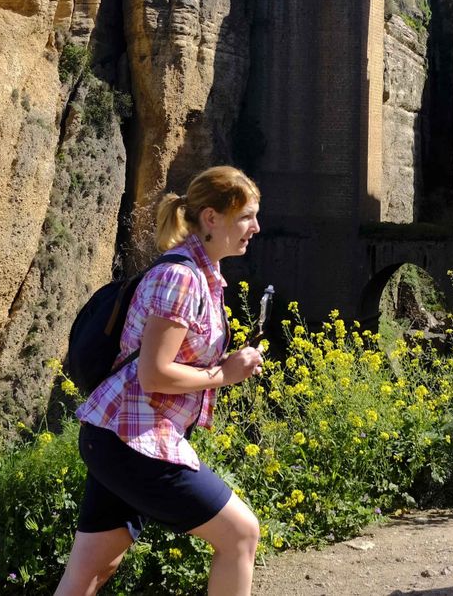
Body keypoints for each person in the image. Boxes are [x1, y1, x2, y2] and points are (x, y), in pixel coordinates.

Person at [54, 166, 266, 596]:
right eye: (246, 217)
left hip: (115, 435)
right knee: (241, 534)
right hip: (131, 438)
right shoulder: (181, 277)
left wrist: (222, 364)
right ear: (211, 218)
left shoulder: (203, 276)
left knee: (92, 572)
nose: (256, 228)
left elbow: (166, 360)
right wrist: (223, 374)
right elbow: (154, 373)